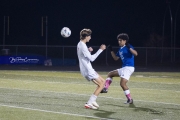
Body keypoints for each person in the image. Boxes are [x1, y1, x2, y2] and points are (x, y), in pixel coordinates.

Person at [100, 33, 138, 104]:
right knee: (110, 74)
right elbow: (115, 58)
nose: (119, 42)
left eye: (120, 40)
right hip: (124, 68)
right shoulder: (120, 49)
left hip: (128, 68)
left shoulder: (128, 47)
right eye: (118, 40)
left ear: (125, 41)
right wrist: (111, 50)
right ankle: (106, 88)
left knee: (123, 84)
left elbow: (135, 54)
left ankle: (130, 99)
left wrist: (129, 47)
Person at [77, 28, 106, 109]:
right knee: (101, 85)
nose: (90, 38)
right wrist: (101, 49)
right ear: (86, 36)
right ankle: (89, 103)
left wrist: (88, 51)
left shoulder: (80, 44)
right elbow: (92, 59)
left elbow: (83, 56)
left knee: (103, 82)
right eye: (89, 36)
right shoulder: (82, 46)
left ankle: (93, 100)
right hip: (87, 70)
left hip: (88, 68)